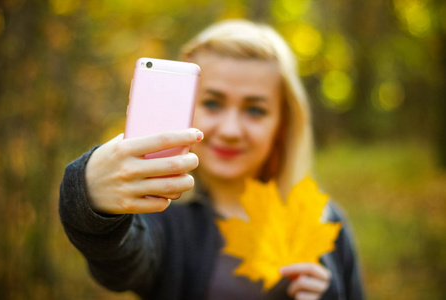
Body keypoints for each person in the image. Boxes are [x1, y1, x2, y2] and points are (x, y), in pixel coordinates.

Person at [59, 20, 364, 300]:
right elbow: (119, 265)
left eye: (255, 110)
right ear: (186, 106)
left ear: (282, 124)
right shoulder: (161, 216)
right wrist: (87, 197)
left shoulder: (324, 220)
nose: (230, 130)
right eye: (212, 103)